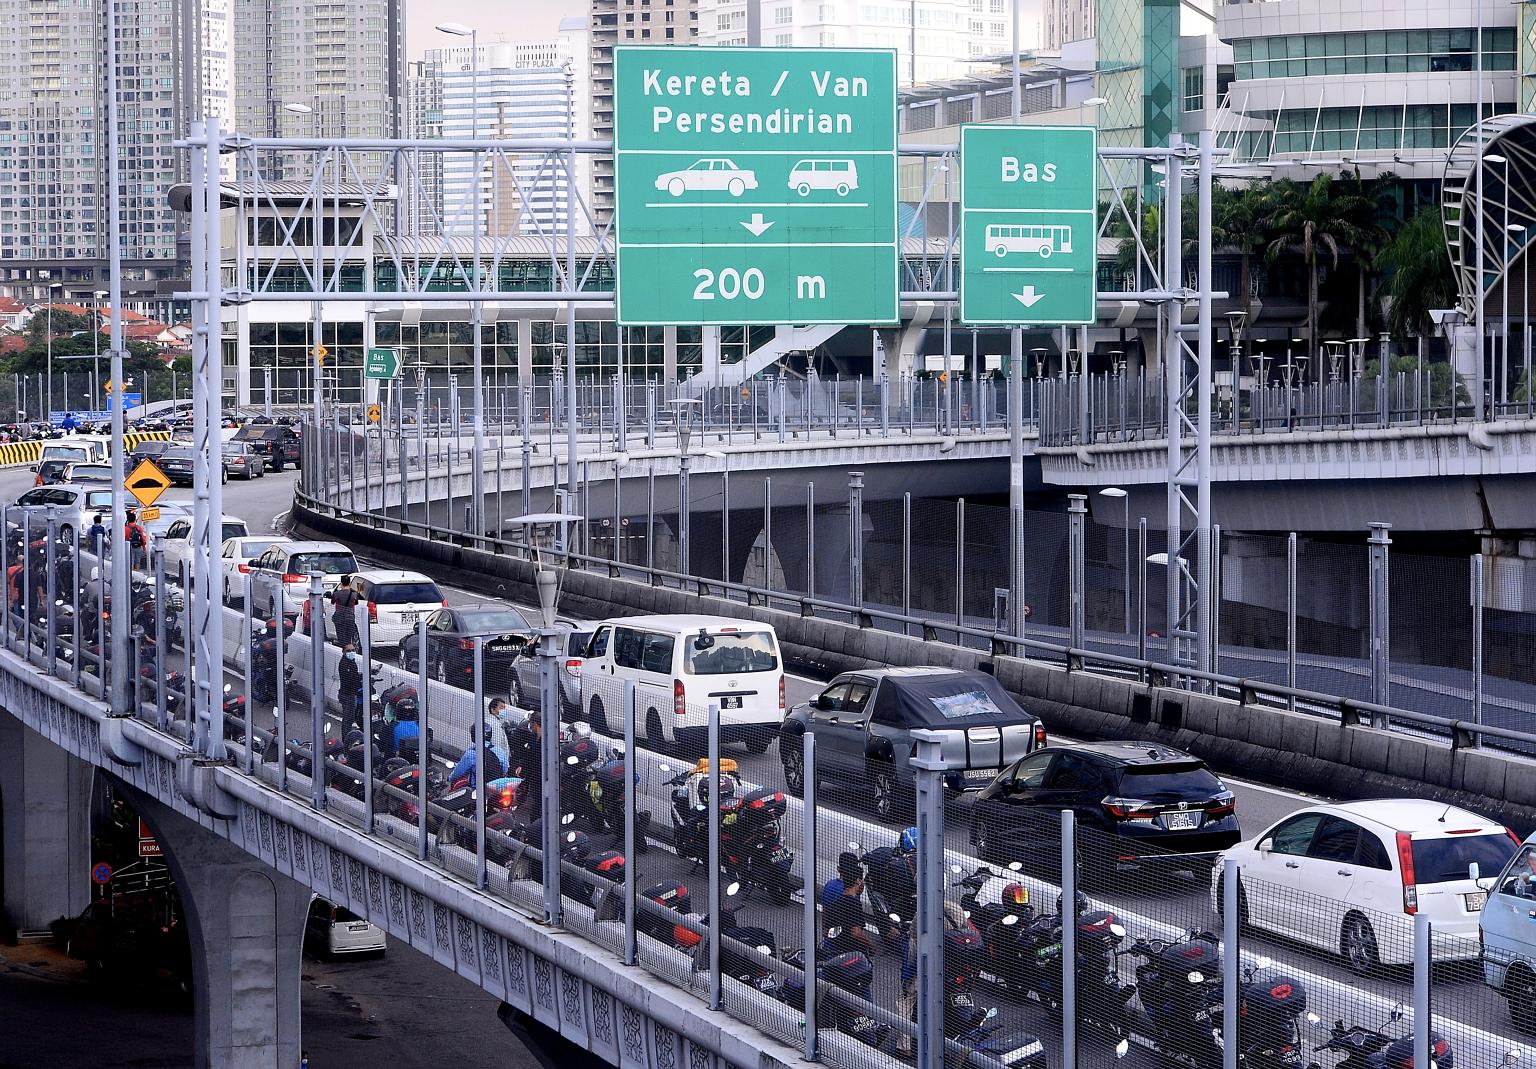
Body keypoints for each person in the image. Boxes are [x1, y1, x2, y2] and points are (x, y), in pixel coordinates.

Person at [337, 644, 364, 728]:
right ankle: (346, 737)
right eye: (349, 651)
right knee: (348, 719)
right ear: (343, 652)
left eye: (353, 650)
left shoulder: (351, 662)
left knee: (350, 718)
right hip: (347, 695)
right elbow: (351, 677)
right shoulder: (344, 663)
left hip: (351, 693)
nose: (351, 652)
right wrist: (361, 676)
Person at [329, 575, 360, 645]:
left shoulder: (336, 594)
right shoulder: (354, 594)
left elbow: (332, 602)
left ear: (341, 583)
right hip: (350, 618)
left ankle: (344, 651)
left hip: (339, 618)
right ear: (349, 583)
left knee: (341, 638)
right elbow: (356, 603)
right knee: (349, 638)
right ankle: (348, 652)